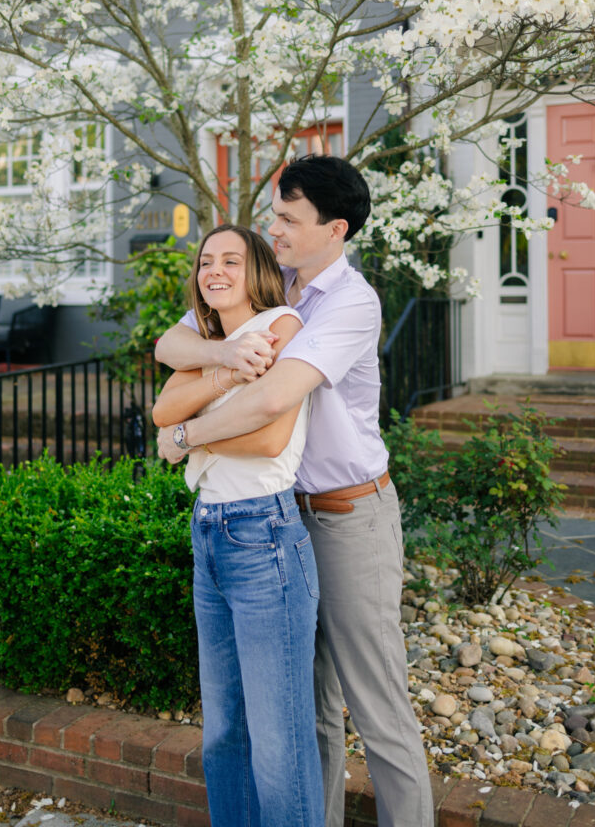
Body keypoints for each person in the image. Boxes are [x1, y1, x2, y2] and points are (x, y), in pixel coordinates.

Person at [157, 156, 433, 827]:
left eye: (287, 218)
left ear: (333, 228)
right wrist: (221, 357)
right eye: (274, 213)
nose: (271, 228)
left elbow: (274, 402)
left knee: (375, 706)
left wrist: (187, 437)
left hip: (347, 514)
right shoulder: (269, 282)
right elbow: (173, 342)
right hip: (273, 520)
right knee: (303, 710)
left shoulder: (349, 301)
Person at [152, 223, 325, 827]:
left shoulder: (281, 328)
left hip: (263, 537)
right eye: (205, 262)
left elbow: (270, 437)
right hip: (208, 532)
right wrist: (223, 370)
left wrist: (189, 439)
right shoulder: (207, 338)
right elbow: (162, 408)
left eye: (230, 259)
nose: (214, 270)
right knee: (224, 729)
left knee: (280, 737)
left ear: (257, 272)